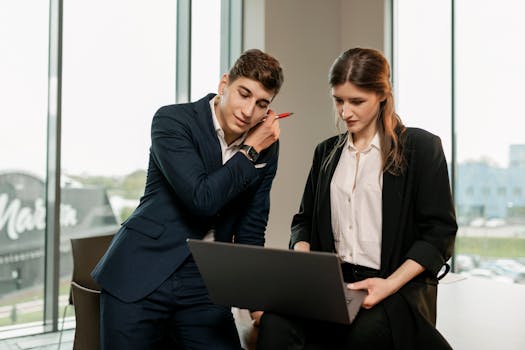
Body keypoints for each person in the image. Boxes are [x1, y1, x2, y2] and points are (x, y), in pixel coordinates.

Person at [256, 48, 457, 350]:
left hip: (395, 287)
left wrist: (387, 284)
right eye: (338, 100)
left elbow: (439, 234)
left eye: (356, 101)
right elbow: (304, 220)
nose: (345, 112)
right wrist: (303, 254)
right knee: (275, 323)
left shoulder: (422, 148)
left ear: (382, 95)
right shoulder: (325, 152)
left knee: (363, 336)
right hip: (334, 287)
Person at [91, 48, 284, 350]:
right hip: (142, 271)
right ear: (224, 84)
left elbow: (251, 228)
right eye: (243, 94)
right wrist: (248, 151)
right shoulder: (173, 120)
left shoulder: (267, 147)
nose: (248, 111)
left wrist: (256, 303)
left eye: (262, 104)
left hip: (205, 282)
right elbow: (201, 197)